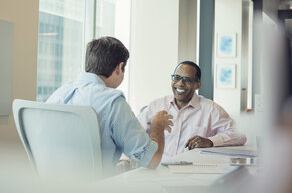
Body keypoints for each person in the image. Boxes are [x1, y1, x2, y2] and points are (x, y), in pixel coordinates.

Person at [45, 37, 173, 177]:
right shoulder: (113, 102)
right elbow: (151, 160)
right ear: (119, 67)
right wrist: (158, 126)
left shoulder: (58, 94)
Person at [118, 61, 246, 169]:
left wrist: (210, 141)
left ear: (198, 84)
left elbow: (239, 134)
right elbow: (133, 134)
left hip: (192, 173)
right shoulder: (156, 106)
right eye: (176, 77)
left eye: (187, 80)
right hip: (157, 170)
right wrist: (124, 160)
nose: (180, 83)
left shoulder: (211, 110)